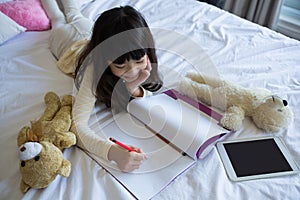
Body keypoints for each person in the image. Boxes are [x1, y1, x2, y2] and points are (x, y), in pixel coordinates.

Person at [41, 0, 163, 172]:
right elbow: (77, 125)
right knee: (57, 19)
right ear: (104, 62)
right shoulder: (92, 69)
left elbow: (144, 94)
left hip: (86, 30)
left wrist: (134, 85)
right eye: (120, 66)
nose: (133, 71)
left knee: (74, 13)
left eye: (139, 61)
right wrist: (113, 153)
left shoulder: (141, 51)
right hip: (66, 44)